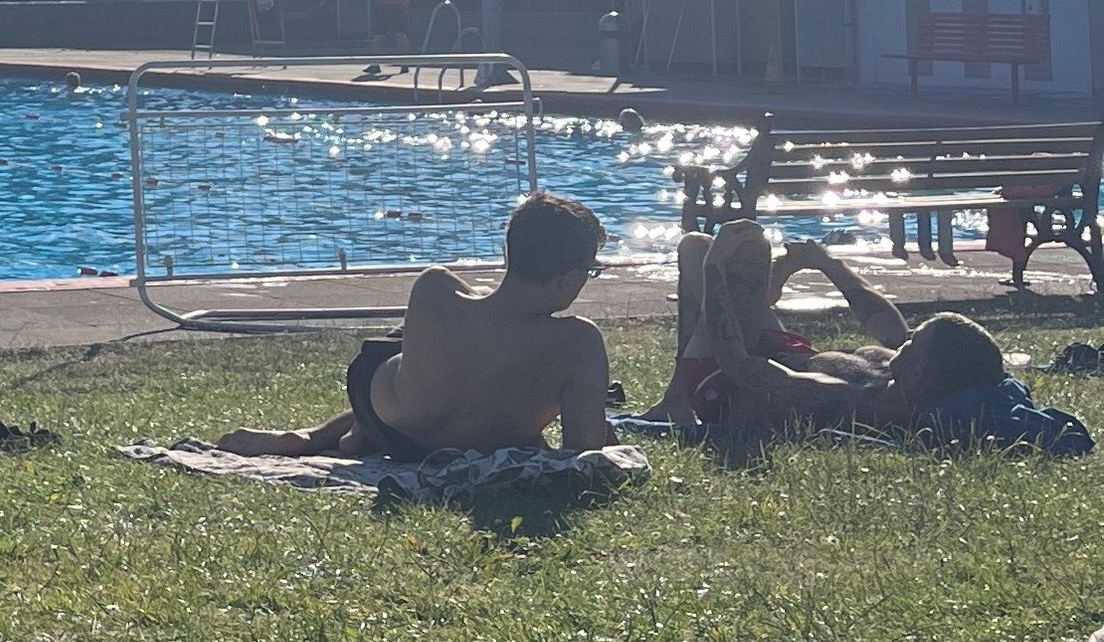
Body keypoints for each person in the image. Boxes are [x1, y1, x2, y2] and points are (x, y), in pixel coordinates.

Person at [219, 192, 614, 460]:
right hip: (481, 445)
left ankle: (316, 436)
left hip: (390, 425)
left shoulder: (434, 290)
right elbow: (582, 452)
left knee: (412, 355)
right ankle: (338, 436)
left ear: (508, 250)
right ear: (568, 277)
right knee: (461, 374)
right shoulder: (578, 342)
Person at [669, 223, 1081, 448]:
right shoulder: (908, 373)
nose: (905, 339)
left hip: (722, 378)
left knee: (701, 248)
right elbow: (883, 323)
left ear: (919, 374)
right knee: (734, 249)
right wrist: (825, 263)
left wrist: (715, 269)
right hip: (785, 350)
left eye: (914, 341)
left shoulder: (846, 398)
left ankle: (675, 400)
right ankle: (670, 399)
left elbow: (741, 366)